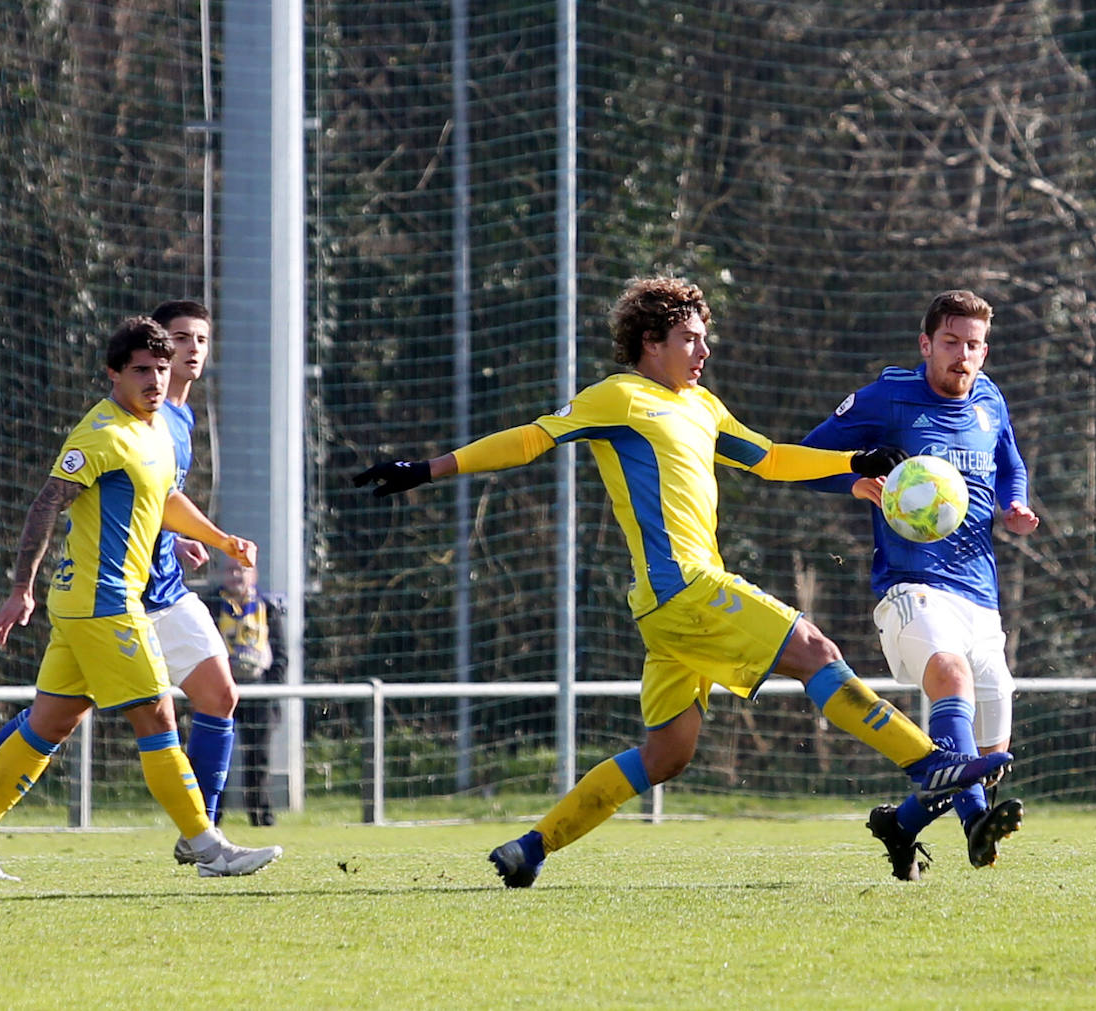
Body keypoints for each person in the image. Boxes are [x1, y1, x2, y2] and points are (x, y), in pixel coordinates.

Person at [353, 275, 1012, 888]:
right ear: (652, 342)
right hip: (687, 588)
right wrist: (426, 469)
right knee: (816, 650)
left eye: (705, 338)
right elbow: (530, 439)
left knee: (667, 754)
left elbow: (773, 458)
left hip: (668, 613)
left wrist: (853, 459)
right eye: (691, 338)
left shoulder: (702, 406)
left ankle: (532, 846)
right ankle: (930, 766)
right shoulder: (618, 397)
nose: (704, 350)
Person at [0, 317, 282, 880]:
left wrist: (217, 539)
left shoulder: (156, 430)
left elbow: (166, 498)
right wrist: (21, 588)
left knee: (51, 722)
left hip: (87, 604)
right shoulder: (102, 434)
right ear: (113, 374)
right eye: (141, 371)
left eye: (160, 370)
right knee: (156, 714)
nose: (153, 380)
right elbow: (47, 503)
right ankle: (207, 846)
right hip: (104, 601)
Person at [801, 289, 1040, 880]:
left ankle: (901, 823)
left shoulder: (990, 400)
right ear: (926, 344)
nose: (964, 356)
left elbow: (1011, 462)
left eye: (975, 345)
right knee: (950, 676)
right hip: (911, 588)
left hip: (980, 596)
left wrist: (1015, 504)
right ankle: (974, 825)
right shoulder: (889, 397)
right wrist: (854, 482)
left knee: (987, 758)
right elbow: (806, 457)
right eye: (952, 342)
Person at [206, 557, 286, 827]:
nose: (236, 575)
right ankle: (210, 818)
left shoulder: (268, 607)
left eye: (242, 569)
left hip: (258, 691)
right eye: (230, 569)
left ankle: (262, 818)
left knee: (258, 758)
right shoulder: (209, 606)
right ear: (221, 574)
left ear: (254, 574)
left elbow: (281, 654)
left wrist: (271, 690)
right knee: (217, 757)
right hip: (220, 689)